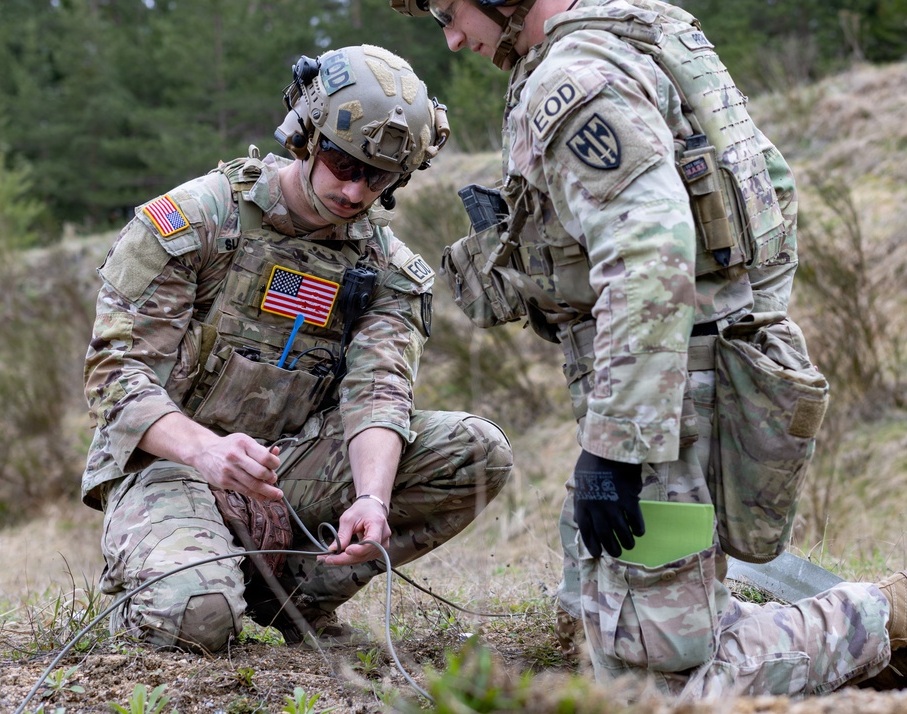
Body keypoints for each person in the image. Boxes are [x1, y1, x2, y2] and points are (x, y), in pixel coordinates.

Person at [388, 0, 907, 698]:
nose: (453, 38)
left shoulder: (572, 77)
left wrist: (618, 446)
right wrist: (747, 329)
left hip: (667, 401)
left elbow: (650, 251)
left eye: (451, 12)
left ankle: (884, 615)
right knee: (598, 629)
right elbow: (771, 189)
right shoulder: (649, 29)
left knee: (655, 686)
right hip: (687, 370)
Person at [80, 43, 514, 653]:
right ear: (305, 138)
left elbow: (378, 393)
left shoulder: (387, 269)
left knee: (476, 452)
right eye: (343, 163)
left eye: (379, 177)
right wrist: (207, 453)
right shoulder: (199, 222)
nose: (357, 190)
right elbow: (115, 377)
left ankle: (294, 600)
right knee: (199, 620)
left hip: (289, 470)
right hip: (171, 463)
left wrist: (370, 498)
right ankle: (171, 584)